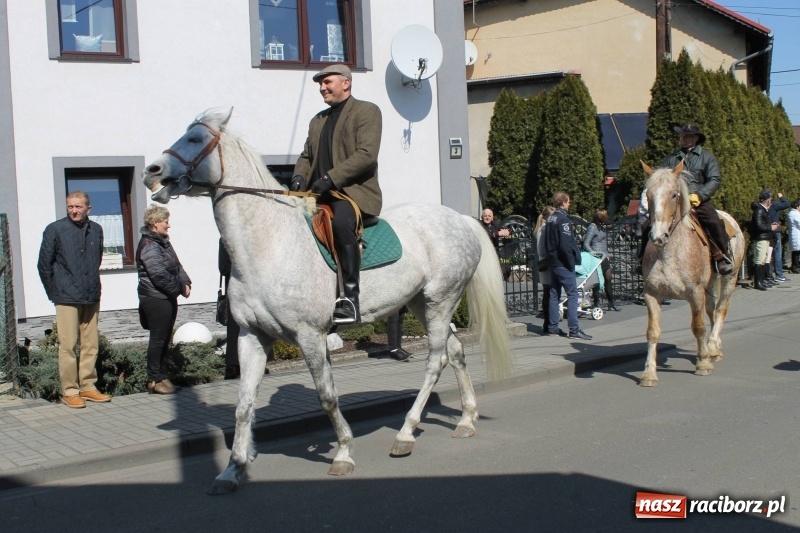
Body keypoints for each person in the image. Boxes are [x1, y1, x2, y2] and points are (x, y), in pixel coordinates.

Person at [290, 64, 382, 325]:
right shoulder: (318, 120)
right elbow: (306, 156)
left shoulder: (367, 111)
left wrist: (330, 178)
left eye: (327, 82)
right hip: (318, 194)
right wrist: (298, 178)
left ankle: (350, 298)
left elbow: (366, 155)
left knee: (341, 223)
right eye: (320, 84)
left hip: (351, 194)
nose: (322, 88)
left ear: (346, 83)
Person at [37, 191, 111, 409]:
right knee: (68, 345)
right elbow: (44, 265)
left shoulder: (96, 230)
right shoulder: (55, 229)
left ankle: (88, 386)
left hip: (91, 293)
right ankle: (70, 391)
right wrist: (55, 292)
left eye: (78, 207)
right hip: (66, 296)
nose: (74, 211)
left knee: (90, 344)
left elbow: (96, 260)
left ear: (89, 208)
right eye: (70, 207)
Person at [661, 124, 733, 275]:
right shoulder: (671, 158)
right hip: (675, 202)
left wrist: (699, 195)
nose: (683, 139)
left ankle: (723, 256)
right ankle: (643, 258)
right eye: (682, 136)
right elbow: (662, 178)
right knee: (648, 224)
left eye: (687, 136)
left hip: (698, 200)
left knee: (713, 221)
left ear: (695, 138)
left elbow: (714, 179)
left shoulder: (707, 158)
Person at [136, 205, 191, 395]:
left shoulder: (163, 242)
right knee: (158, 339)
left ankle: (163, 376)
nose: (169, 225)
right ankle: (154, 379)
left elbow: (176, 265)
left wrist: (186, 282)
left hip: (166, 296)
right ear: (154, 223)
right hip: (154, 298)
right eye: (165, 221)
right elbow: (158, 274)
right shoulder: (149, 246)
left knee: (165, 338)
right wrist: (179, 287)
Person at [545, 192, 592, 340]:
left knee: (554, 294)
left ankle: (552, 327)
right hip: (563, 263)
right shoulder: (563, 219)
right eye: (568, 201)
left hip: (553, 261)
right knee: (573, 295)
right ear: (564, 202)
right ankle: (574, 330)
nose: (569, 204)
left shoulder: (551, 218)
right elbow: (565, 244)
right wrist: (571, 261)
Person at [583, 209, 620, 312]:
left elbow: (603, 243)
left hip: (604, 257)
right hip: (596, 258)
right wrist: (592, 252)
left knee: (608, 277)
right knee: (597, 280)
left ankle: (611, 302)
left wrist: (607, 254)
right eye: (605, 216)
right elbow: (586, 243)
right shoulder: (592, 227)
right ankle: (597, 303)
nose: (607, 218)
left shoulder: (601, 227)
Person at [218, 240, 240, 380]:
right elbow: (224, 268)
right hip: (234, 291)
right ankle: (232, 366)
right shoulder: (225, 240)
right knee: (234, 329)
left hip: (252, 292)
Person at [750, 190, 779, 291]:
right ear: (767, 201)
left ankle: (761, 281)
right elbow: (758, 225)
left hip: (765, 237)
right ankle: (758, 282)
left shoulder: (763, 210)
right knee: (760, 260)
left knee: (763, 260)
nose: (771, 202)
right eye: (770, 200)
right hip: (761, 238)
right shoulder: (759, 210)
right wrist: (771, 227)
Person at [535, 206, 556, 334]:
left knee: (548, 293)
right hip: (546, 265)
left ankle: (548, 323)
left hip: (548, 265)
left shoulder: (546, 228)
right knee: (548, 294)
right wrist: (552, 253)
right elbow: (541, 250)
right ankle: (547, 323)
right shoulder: (542, 229)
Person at [767, 191, 790, 282]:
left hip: (767, 231)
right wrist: (781, 197)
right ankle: (779, 275)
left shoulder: (762, 207)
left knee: (768, 254)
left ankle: (769, 275)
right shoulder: (774, 205)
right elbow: (786, 204)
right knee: (777, 253)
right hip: (776, 231)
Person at [788, 199, 800, 274]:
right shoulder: (794, 214)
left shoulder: (792, 213)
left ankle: (795, 266)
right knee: (796, 252)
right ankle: (795, 267)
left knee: (796, 251)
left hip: (796, 234)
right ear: (797, 206)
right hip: (796, 234)